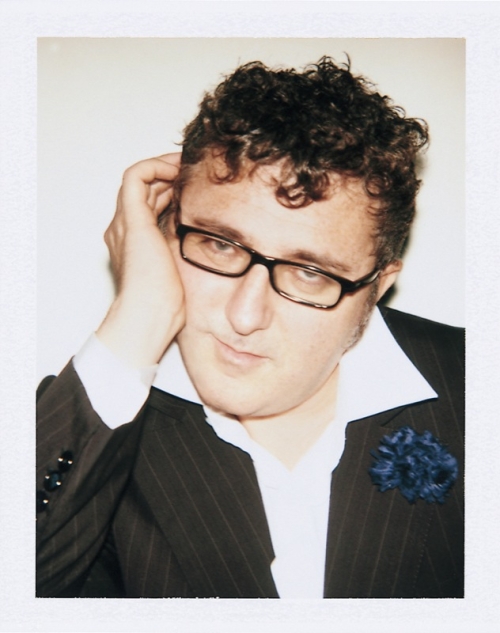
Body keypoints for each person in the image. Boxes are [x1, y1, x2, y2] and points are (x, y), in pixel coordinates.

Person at [36, 57, 464, 599]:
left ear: (377, 287)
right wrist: (138, 315)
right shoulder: (97, 420)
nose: (244, 316)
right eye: (219, 245)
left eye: (311, 272)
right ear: (166, 230)